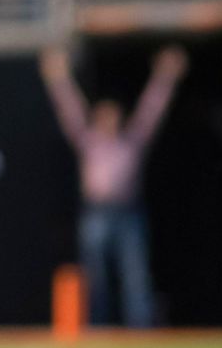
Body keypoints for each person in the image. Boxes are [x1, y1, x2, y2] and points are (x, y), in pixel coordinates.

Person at [39, 46, 187, 328]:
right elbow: (70, 110)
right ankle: (97, 328)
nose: (109, 120)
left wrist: (165, 77)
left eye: (114, 115)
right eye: (103, 115)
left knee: (136, 276)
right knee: (95, 278)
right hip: (96, 214)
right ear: (96, 117)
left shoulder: (131, 141)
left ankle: (139, 328)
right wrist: (58, 78)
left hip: (128, 213)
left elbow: (151, 110)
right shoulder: (89, 141)